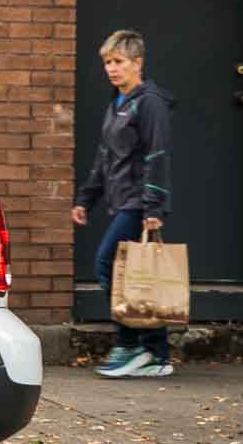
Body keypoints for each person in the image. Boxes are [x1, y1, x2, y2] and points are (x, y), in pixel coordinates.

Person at [72, 28, 175, 379]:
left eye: (118, 62)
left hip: (138, 203)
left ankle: (132, 344)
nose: (112, 69)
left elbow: (157, 156)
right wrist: (87, 198)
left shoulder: (150, 103)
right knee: (130, 276)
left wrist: (153, 209)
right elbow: (105, 157)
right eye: (107, 63)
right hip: (121, 201)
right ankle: (155, 352)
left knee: (107, 265)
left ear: (137, 63)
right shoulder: (117, 103)